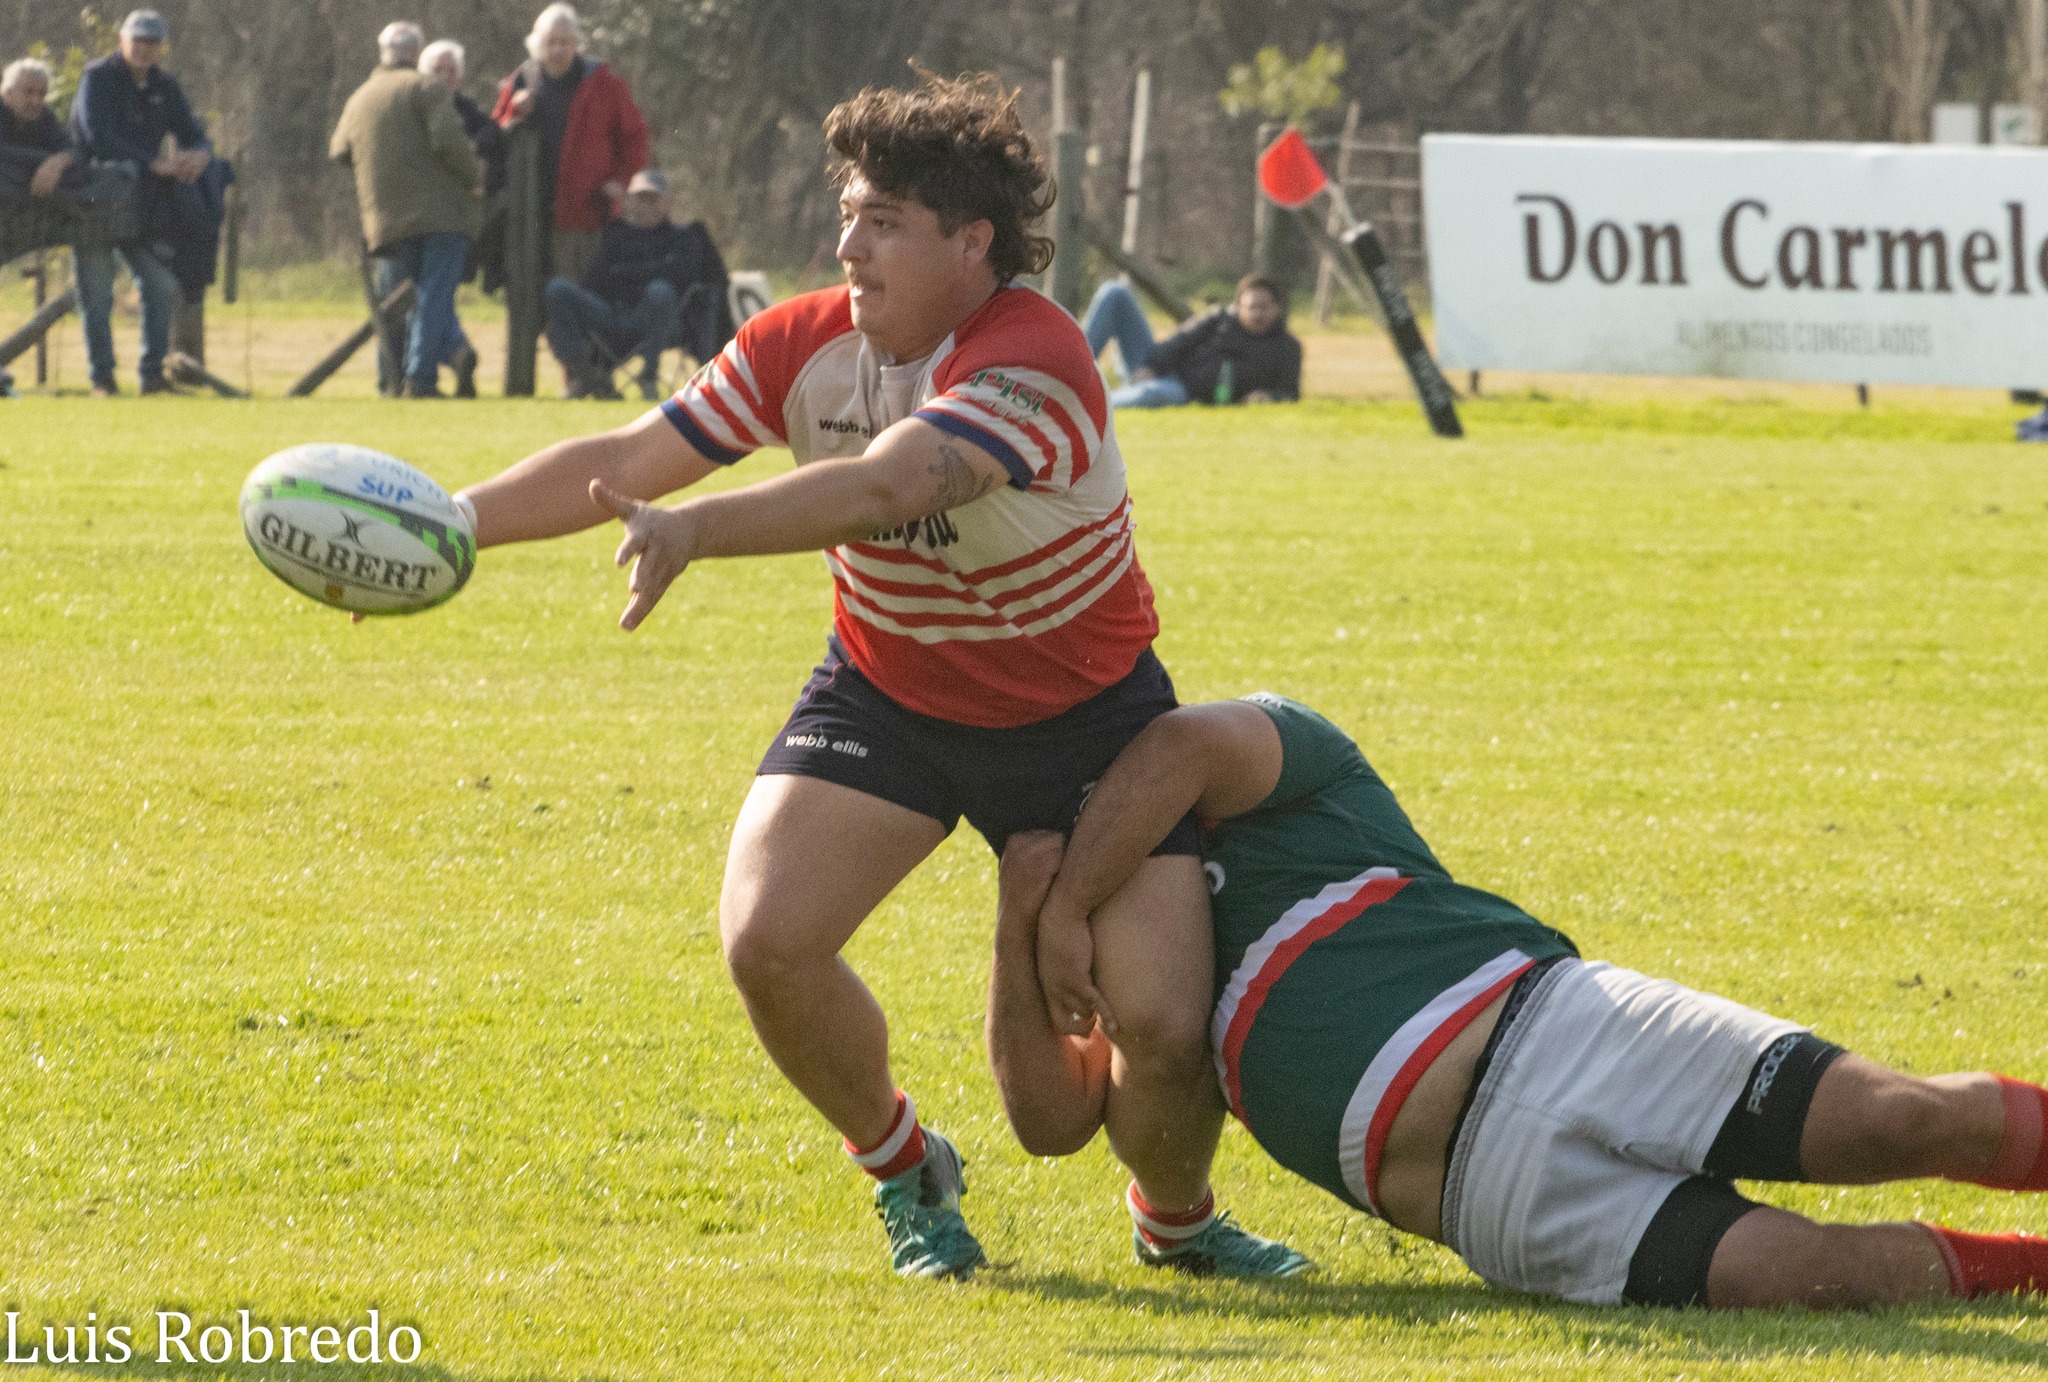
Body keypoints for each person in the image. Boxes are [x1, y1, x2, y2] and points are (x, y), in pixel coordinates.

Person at [440, 70, 1302, 1281]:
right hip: (889, 696)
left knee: (1158, 1023)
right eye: (848, 213)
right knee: (766, 939)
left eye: (884, 222)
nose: (848, 246)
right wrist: (445, 525)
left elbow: (892, 483)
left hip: (1087, 726)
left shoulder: (1036, 356)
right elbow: (627, 455)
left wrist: (697, 530)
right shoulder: (800, 341)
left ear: (971, 242)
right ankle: (906, 1168)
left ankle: (1176, 1217)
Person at [989, 694, 2048, 1307]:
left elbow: (1177, 747)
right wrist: (1022, 914)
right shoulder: (1107, 947)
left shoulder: (1264, 760)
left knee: (1902, 1116)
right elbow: (1051, 1120)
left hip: (1562, 1028)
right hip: (1485, 1201)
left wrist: (1067, 899)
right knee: (1797, 1275)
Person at [330, 22, 483, 400]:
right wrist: (474, 180)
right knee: (434, 296)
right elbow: (448, 141)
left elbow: (339, 151)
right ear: (417, 53)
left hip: (386, 219)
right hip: (441, 216)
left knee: (409, 299)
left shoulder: (359, 97)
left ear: (383, 52)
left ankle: (410, 372)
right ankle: (421, 379)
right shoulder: (426, 88)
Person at [67, 9, 211, 396]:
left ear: (160, 47)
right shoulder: (97, 78)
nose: (144, 48)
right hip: (93, 199)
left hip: (141, 205)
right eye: (138, 40)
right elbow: (97, 137)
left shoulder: (165, 85)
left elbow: (191, 131)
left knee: (160, 285)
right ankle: (102, 379)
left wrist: (200, 153)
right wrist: (153, 163)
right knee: (97, 292)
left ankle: (152, 377)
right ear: (122, 41)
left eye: (152, 42)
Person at [492, 4, 649, 283]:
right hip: (528, 213)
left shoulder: (603, 82)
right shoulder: (520, 81)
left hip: (586, 212)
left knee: (577, 291)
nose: (557, 49)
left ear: (577, 43)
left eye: (565, 42)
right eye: (551, 42)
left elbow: (635, 136)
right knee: (529, 292)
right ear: (536, 43)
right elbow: (495, 136)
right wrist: (513, 111)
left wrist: (621, 180)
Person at [542, 168, 729, 401]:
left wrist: (628, 274)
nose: (645, 206)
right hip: (613, 314)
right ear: (629, 202)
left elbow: (685, 281)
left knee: (659, 291)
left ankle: (649, 375)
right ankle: (586, 374)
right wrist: (649, 271)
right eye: (640, 199)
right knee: (557, 289)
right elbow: (595, 283)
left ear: (667, 203)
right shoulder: (616, 235)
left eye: (652, 199)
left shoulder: (685, 238)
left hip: (658, 320)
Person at [1082, 274, 1301, 409]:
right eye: (1251, 307)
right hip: (1157, 367)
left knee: (1150, 394)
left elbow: (1290, 392)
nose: (1257, 314)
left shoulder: (1287, 347)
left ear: (1277, 309)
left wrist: (1267, 397)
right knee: (1115, 292)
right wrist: (1151, 368)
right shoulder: (1219, 319)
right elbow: (1179, 341)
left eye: (1263, 307)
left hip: (1183, 390)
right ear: (1239, 307)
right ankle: (1075, 373)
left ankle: (1090, 406)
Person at [1, 57, 73, 198]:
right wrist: (44, 161)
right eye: (28, 92)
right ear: (9, 93)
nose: (36, 101)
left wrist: (58, 161)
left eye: (42, 94)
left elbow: (72, 148)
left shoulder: (44, 115)